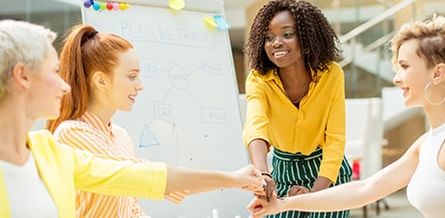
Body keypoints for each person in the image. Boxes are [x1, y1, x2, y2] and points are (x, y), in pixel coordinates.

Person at [0, 19, 264, 218]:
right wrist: (232, 178)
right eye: (54, 72)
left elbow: (142, 185)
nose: (65, 85)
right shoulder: (70, 135)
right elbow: (143, 178)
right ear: (22, 76)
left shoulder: (50, 152)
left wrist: (233, 179)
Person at [247, 15, 445, 218]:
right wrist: (281, 204)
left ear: (438, 73)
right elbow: (366, 189)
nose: (397, 78)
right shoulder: (429, 143)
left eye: (405, 66)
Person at [45, 23, 185, 217]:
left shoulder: (121, 136)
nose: (140, 85)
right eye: (132, 76)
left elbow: (131, 209)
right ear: (101, 81)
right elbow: (126, 175)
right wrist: (172, 181)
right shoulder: (71, 133)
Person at [242, 0, 352, 218]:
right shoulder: (258, 79)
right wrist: (264, 176)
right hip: (282, 172)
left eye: (287, 34)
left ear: (307, 37)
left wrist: (313, 196)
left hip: (327, 173)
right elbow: (256, 127)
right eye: (269, 37)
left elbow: (335, 139)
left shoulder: (331, 75)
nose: (276, 42)